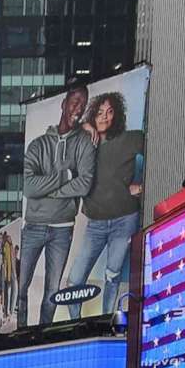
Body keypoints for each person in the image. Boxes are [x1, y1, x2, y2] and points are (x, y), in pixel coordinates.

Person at [64, 90, 146, 321]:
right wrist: (84, 126)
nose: (104, 117)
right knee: (74, 280)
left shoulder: (131, 139)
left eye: (110, 112)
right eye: (99, 112)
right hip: (95, 224)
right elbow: (64, 131)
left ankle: (106, 320)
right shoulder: (85, 141)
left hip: (124, 220)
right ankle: (76, 323)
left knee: (112, 274)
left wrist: (142, 186)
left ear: (117, 115)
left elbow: (161, 151)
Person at [18, 86, 94, 329]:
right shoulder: (38, 145)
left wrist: (49, 190)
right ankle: (19, 334)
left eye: (83, 103)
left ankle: (43, 335)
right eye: (75, 101)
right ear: (64, 103)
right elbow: (29, 188)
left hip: (63, 229)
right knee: (20, 286)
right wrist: (64, 177)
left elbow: (84, 184)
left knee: (52, 290)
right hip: (33, 227)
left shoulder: (84, 143)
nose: (78, 108)